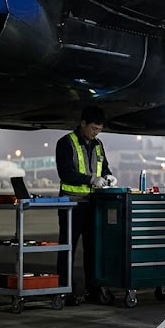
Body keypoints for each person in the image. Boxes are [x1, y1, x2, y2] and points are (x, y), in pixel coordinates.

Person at [56, 105, 117, 305]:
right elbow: (66, 172)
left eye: (99, 129)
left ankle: (94, 290)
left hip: (93, 204)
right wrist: (91, 179)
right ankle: (66, 292)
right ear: (83, 124)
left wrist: (108, 176)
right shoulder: (66, 143)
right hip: (71, 204)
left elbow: (104, 166)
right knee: (67, 249)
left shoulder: (98, 144)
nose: (96, 132)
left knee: (94, 250)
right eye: (93, 128)